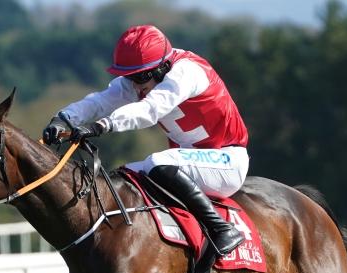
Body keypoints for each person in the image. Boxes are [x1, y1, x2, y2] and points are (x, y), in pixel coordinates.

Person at [42, 24, 249, 257]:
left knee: (157, 162)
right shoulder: (142, 78)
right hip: (189, 163)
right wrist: (64, 118)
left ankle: (221, 229)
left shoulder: (187, 72)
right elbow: (99, 102)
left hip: (228, 161)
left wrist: (102, 125)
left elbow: (150, 109)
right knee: (122, 178)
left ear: (163, 67)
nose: (135, 85)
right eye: (129, 76)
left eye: (140, 77)